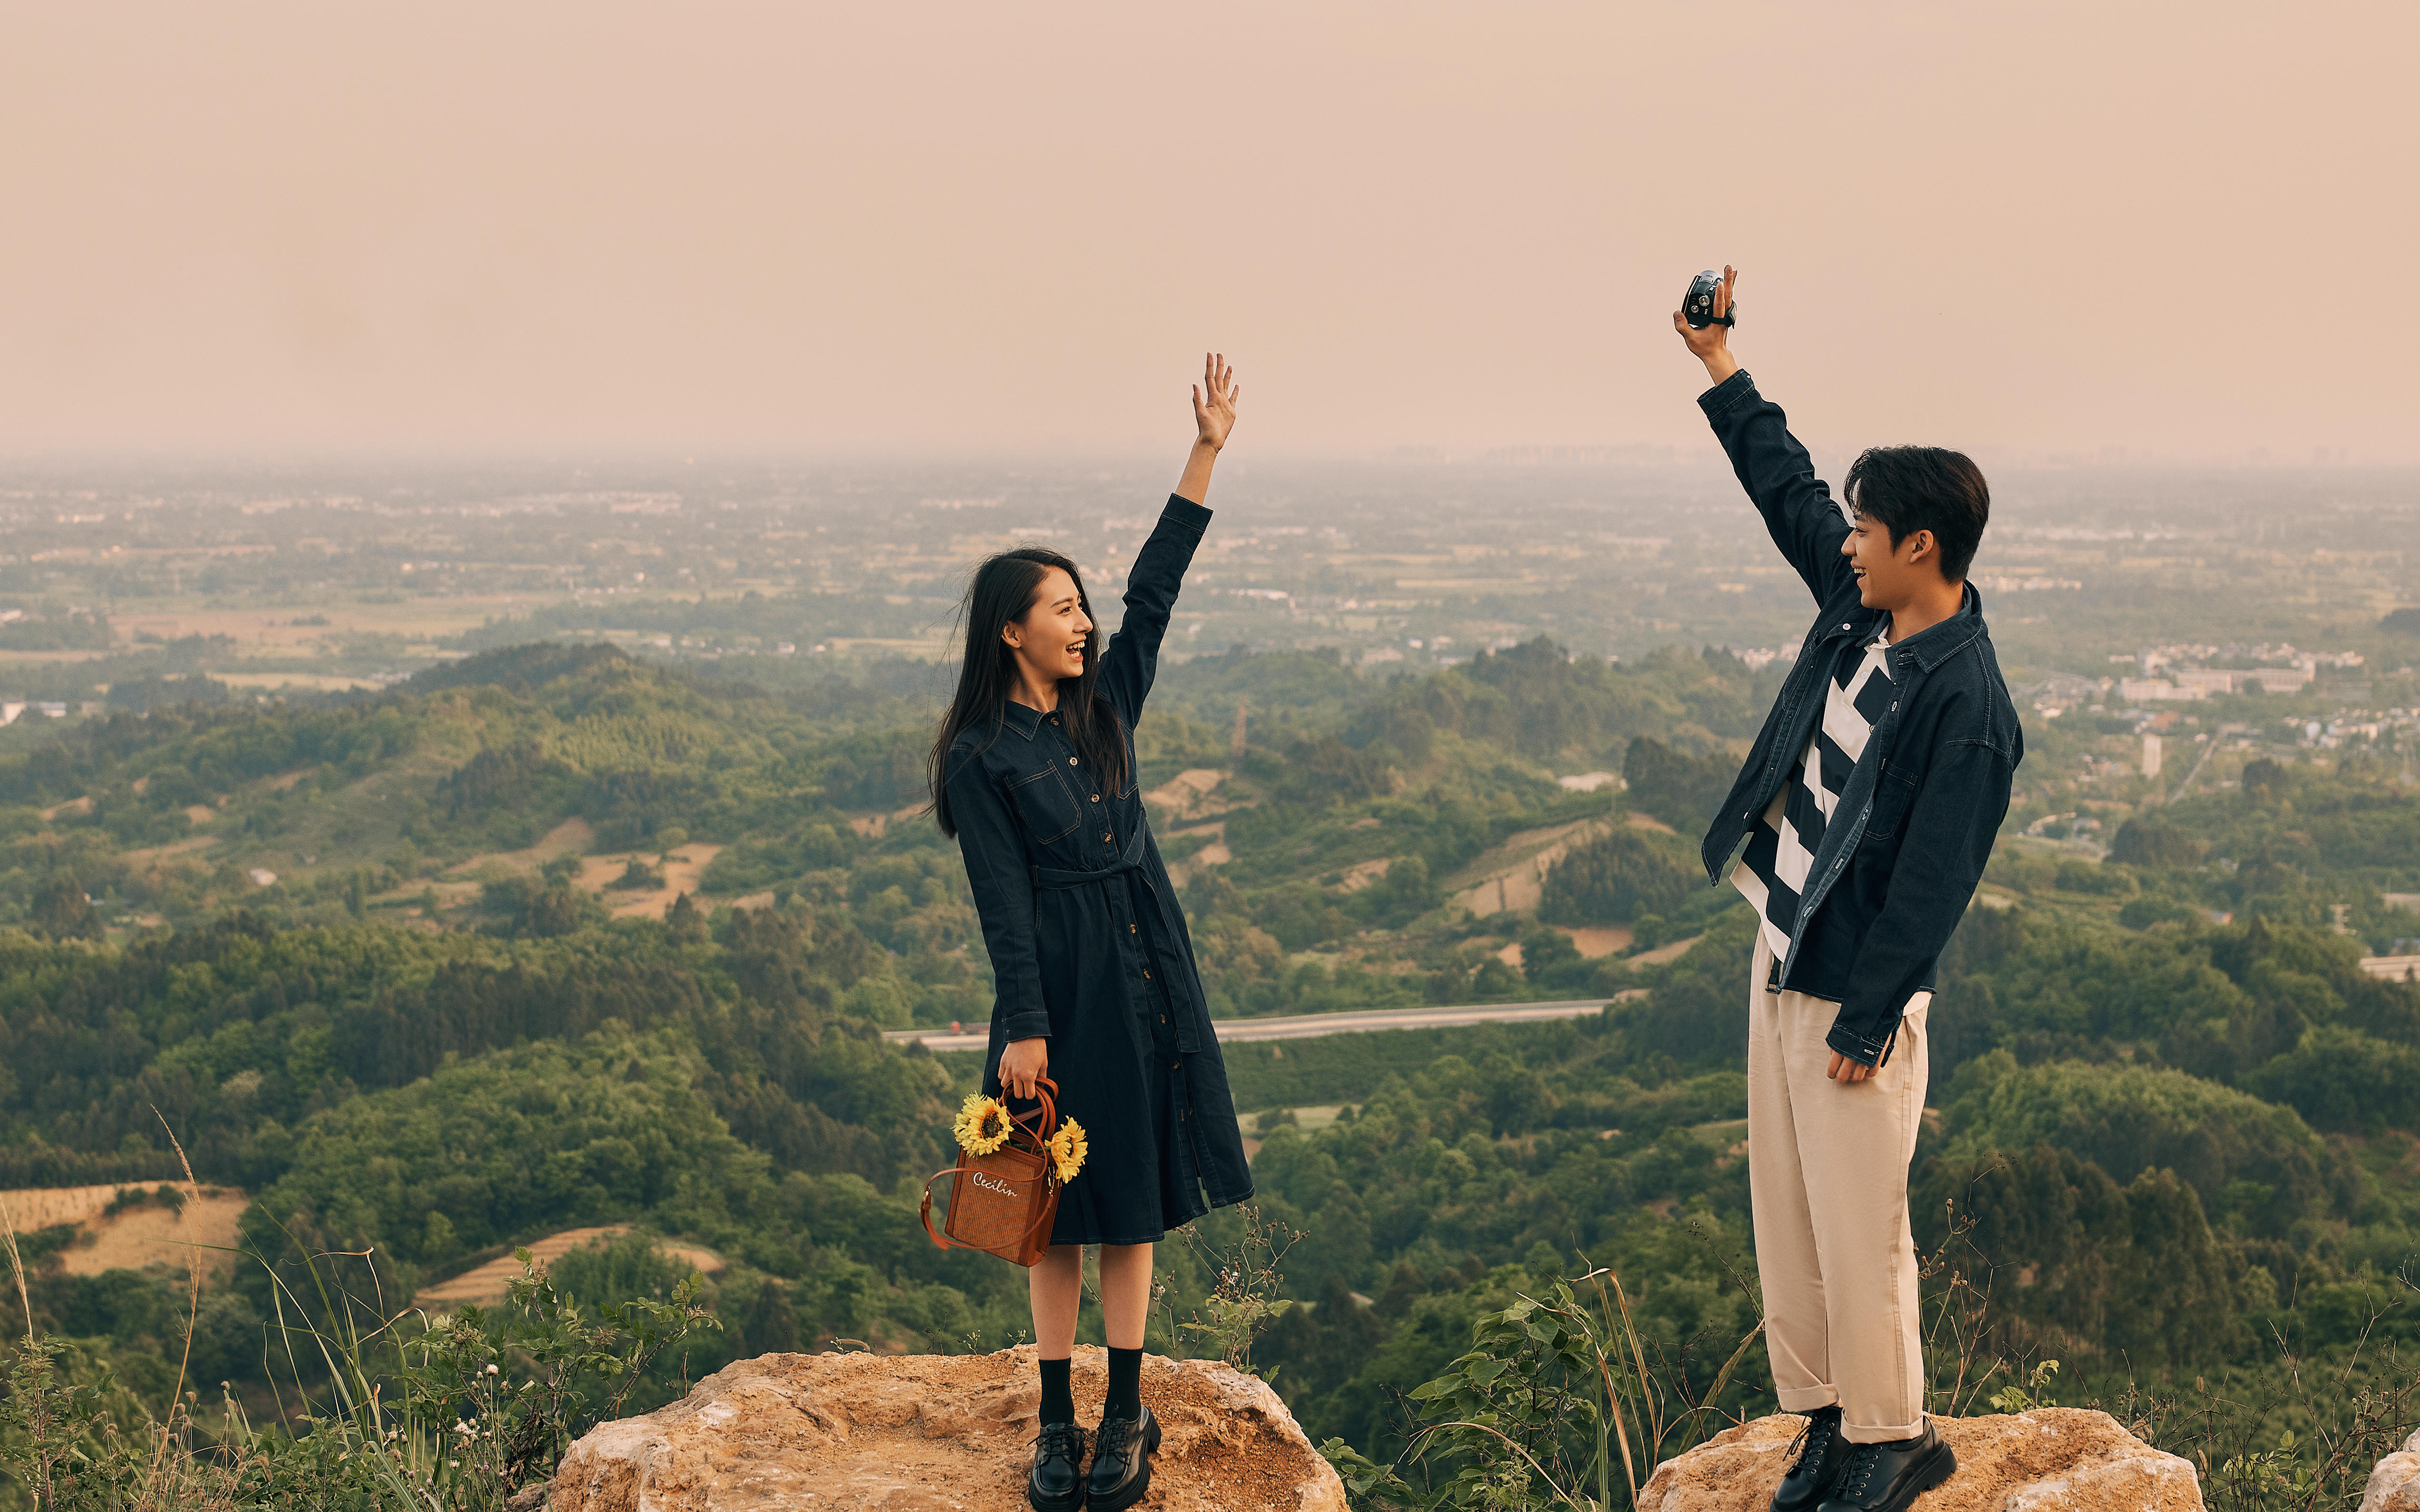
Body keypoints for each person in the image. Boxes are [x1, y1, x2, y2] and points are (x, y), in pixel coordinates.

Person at [1674, 270, 2020, 1512]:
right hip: (1782, 942)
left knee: (1862, 1225)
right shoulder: (1861, 609)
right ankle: (1822, 1416)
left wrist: (1873, 1016)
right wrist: (1721, 366)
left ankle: (1892, 1435)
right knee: (1793, 1220)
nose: (1848, 542)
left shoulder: (1967, 704)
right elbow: (1790, 489)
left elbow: (1934, 884)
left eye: (1869, 532)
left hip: (1855, 987)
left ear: (1919, 546)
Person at [930, 354, 1254, 1512]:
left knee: (1130, 1194)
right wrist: (1023, 1028)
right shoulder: (981, 759)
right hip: (1056, 988)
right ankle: (1056, 1419)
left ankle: (1128, 1410)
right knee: (1050, 1206)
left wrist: (1206, 452)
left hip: (1141, 968)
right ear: (1011, 633)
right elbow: (1000, 904)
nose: (1084, 623)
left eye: (1081, 607)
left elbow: (1157, 593)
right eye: (1063, 609)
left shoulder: (1104, 708)